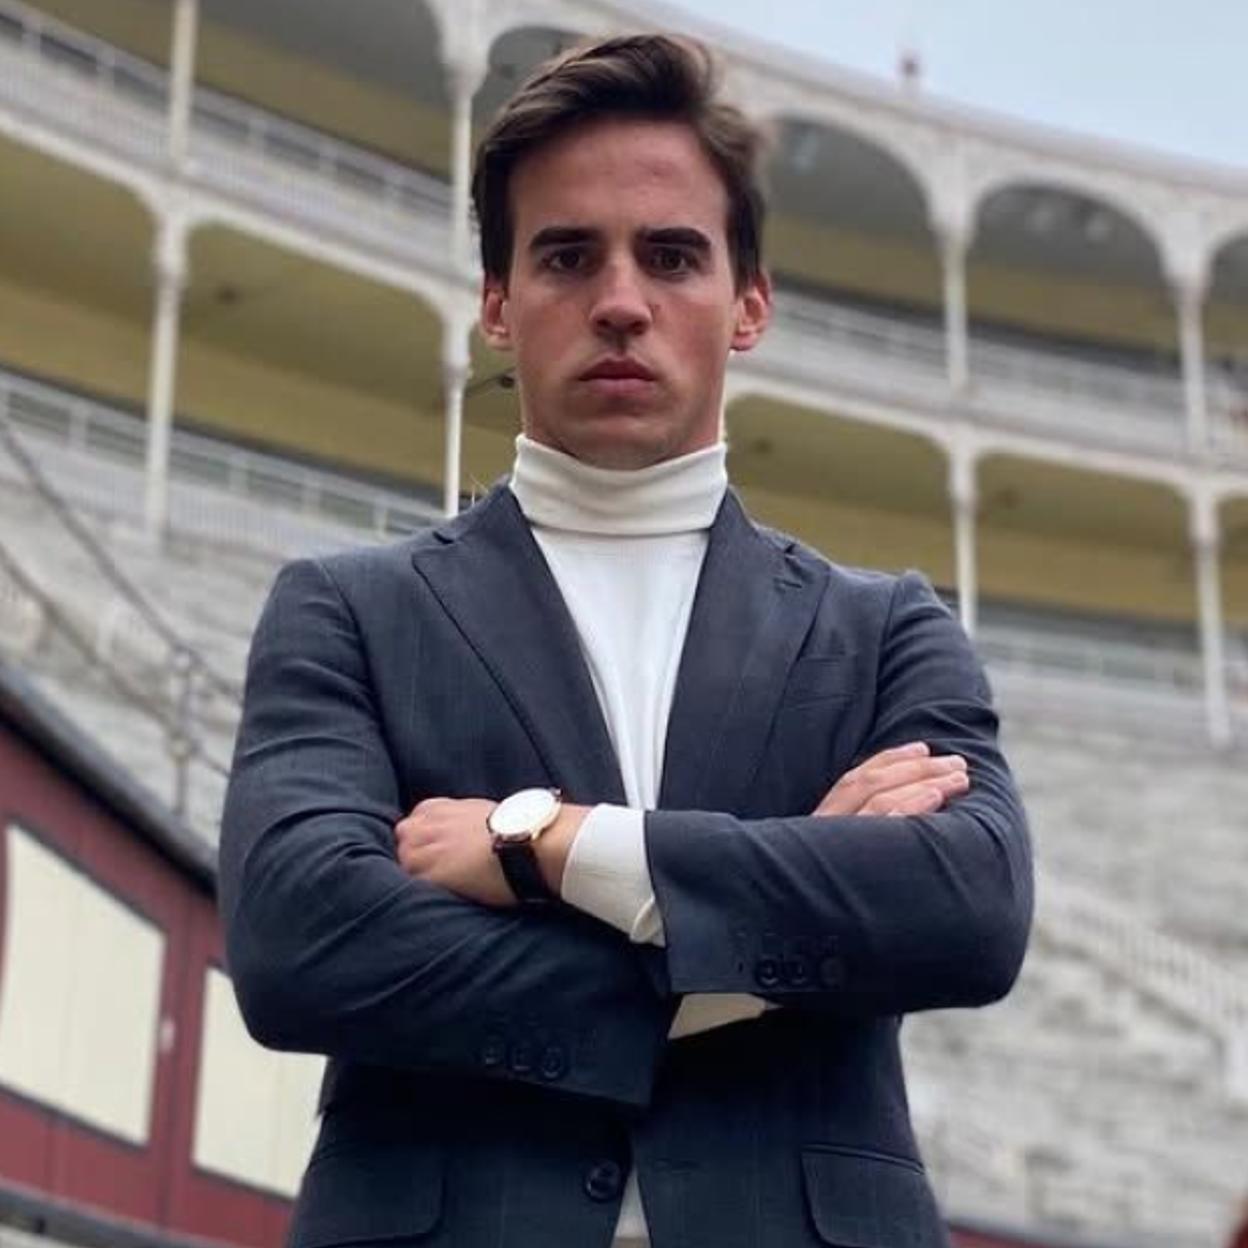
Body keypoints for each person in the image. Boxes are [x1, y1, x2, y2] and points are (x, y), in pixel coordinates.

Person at [219, 33, 1032, 1248]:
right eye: (564, 256)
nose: (619, 300)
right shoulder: (347, 608)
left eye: (671, 256)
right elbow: (302, 946)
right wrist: (751, 953)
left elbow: (967, 910)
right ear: (498, 304)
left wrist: (552, 844)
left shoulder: (883, 628)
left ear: (747, 305)